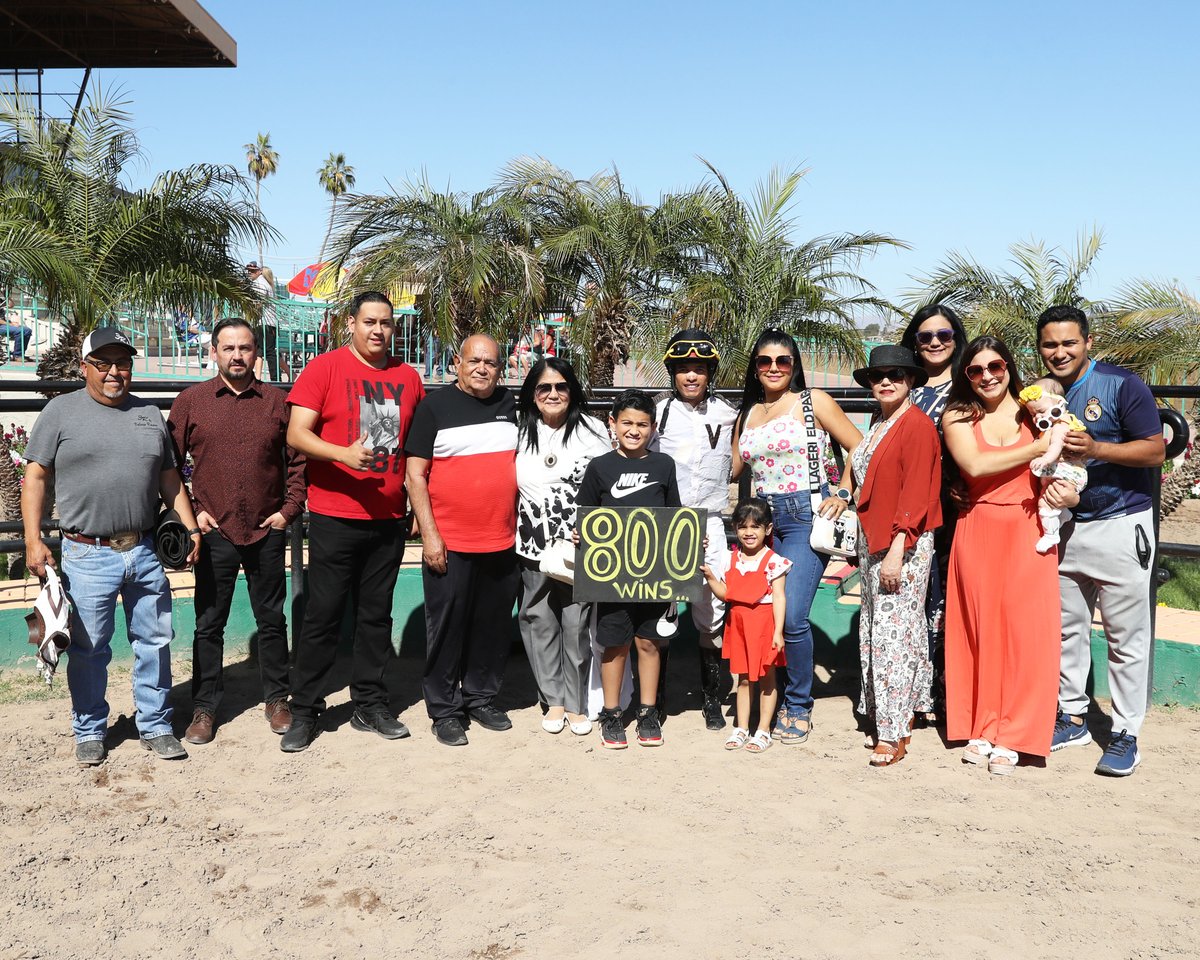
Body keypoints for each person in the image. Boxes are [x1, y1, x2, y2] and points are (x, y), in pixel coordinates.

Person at [21, 327, 202, 766]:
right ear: (85, 367)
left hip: (143, 549)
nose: (114, 372)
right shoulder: (60, 413)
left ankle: (156, 724)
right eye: (103, 364)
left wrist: (191, 528)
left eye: (122, 363)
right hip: (86, 553)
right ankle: (89, 728)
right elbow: (36, 477)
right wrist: (32, 539)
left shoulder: (148, 415)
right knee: (89, 648)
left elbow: (168, 479)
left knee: (155, 640)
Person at [281, 291, 426, 753]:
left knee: (375, 618)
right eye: (369, 321)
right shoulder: (324, 368)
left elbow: (416, 448)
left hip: (387, 517)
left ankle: (369, 703)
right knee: (322, 617)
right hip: (335, 515)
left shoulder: (408, 377)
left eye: (386, 322)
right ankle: (305, 709)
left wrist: (419, 506)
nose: (378, 330)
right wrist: (342, 453)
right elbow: (296, 433)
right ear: (351, 323)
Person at [1038, 305, 1165, 776]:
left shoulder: (1122, 384)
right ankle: (1070, 715)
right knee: (1066, 630)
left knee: (1125, 636)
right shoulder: (1041, 393)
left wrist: (1097, 450)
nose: (1059, 352)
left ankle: (1126, 731)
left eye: (1069, 342)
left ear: (1087, 343)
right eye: (1050, 344)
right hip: (1065, 526)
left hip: (1121, 523)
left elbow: (1155, 449)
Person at [167, 318, 307, 745]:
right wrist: (193, 514)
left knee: (272, 620)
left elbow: (298, 462)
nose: (237, 356)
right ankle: (205, 708)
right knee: (209, 623)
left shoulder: (278, 403)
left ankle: (277, 699)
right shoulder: (191, 402)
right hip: (214, 531)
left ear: (255, 353)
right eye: (228, 348)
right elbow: (169, 467)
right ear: (213, 352)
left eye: (245, 348)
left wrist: (288, 511)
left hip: (267, 529)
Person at [731, 329, 861, 744]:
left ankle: (799, 704)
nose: (773, 368)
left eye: (782, 361)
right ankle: (772, 696)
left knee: (791, 617)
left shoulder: (813, 401)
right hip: (761, 522)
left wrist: (843, 491)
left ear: (794, 365)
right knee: (765, 613)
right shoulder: (748, 412)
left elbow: (860, 447)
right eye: (765, 362)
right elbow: (731, 470)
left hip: (806, 516)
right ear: (755, 367)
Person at [942, 335, 1062, 775]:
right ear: (966, 376)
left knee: (1026, 634)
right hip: (977, 528)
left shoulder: (1036, 405)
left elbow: (1065, 445)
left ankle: (1015, 734)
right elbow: (973, 466)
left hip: (1028, 527)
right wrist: (1038, 447)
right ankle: (981, 725)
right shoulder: (958, 413)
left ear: (1009, 367)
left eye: (995, 366)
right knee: (979, 631)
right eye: (975, 370)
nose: (987, 376)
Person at [405, 334, 520, 747]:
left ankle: (480, 698)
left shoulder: (512, 406)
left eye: (490, 362)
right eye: (474, 360)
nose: (482, 368)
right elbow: (414, 475)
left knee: (491, 629)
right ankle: (445, 709)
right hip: (450, 542)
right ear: (457, 362)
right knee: (447, 629)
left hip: (502, 541)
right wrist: (430, 535)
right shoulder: (434, 408)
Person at [847, 345, 943, 767]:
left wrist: (898, 548)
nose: (886, 381)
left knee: (892, 635)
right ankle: (895, 716)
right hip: (877, 539)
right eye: (878, 375)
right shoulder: (882, 422)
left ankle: (894, 730)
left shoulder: (917, 426)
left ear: (911, 382)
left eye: (897, 375)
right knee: (885, 630)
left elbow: (917, 489)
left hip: (901, 541)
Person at [574, 389, 680, 750]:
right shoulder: (600, 467)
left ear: (653, 428)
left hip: (653, 575)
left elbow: (674, 516)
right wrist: (579, 532)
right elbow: (585, 514)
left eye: (642, 424)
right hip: (611, 576)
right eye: (627, 423)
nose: (634, 430)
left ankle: (648, 712)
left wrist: (687, 543)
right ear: (612, 424)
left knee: (650, 641)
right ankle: (611, 712)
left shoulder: (664, 466)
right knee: (614, 644)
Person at [515, 357, 611, 736]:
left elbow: (609, 483)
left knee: (575, 623)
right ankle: (552, 699)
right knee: (538, 620)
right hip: (532, 542)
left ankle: (575, 703)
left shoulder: (594, 430)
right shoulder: (519, 429)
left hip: (580, 545)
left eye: (561, 387)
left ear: (571, 391)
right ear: (533, 394)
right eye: (544, 388)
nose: (553, 394)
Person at [652, 328, 739, 730]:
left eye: (699, 369)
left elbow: (738, 458)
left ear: (709, 373)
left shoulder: (728, 413)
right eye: (684, 368)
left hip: (711, 523)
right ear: (672, 372)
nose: (691, 376)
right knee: (661, 609)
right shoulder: (657, 413)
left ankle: (711, 701)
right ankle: (657, 698)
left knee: (712, 612)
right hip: (667, 525)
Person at [898, 304, 969, 722]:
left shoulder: (970, 385)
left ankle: (947, 698)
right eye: (925, 337)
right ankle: (917, 696)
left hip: (957, 509)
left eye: (944, 335)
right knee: (916, 601)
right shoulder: (901, 387)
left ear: (956, 339)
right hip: (910, 513)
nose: (935, 343)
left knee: (950, 601)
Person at [700, 498, 789, 753]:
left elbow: (780, 597)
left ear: (767, 530)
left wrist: (777, 631)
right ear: (736, 528)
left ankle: (763, 730)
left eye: (755, 527)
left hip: (764, 626)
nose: (749, 533)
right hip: (737, 625)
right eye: (743, 527)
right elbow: (725, 594)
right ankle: (741, 728)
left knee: (767, 678)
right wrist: (708, 576)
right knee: (743, 680)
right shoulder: (730, 559)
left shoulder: (775, 562)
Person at [1018, 378, 1089, 553]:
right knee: (1048, 495)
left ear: (1058, 403)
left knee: (1045, 502)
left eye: (1041, 411)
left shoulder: (1060, 426)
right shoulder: (1054, 425)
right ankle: (1064, 514)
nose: (1038, 417)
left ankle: (1051, 535)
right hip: (1065, 473)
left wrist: (1045, 459)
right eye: (1033, 414)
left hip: (1068, 474)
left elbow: (1056, 446)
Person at [247, 262, 277, 379]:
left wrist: (251, 312)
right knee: (260, 350)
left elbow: (259, 302)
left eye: (253, 271)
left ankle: (275, 379)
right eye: (249, 270)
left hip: (265, 322)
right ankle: (259, 377)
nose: (250, 273)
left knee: (268, 351)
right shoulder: (262, 283)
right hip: (265, 322)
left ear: (259, 271)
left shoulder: (260, 283)